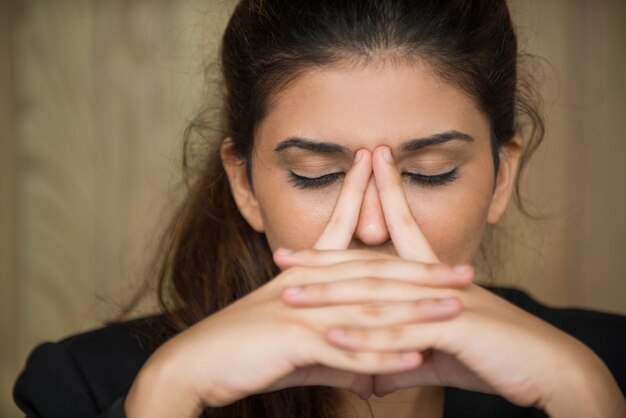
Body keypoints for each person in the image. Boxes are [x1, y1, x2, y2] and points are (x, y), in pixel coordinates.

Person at [13, 1, 626, 417]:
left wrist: (585, 396)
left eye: (427, 173)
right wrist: (168, 394)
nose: (372, 226)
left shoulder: (608, 367)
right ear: (246, 185)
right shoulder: (85, 389)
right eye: (318, 175)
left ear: (500, 178)